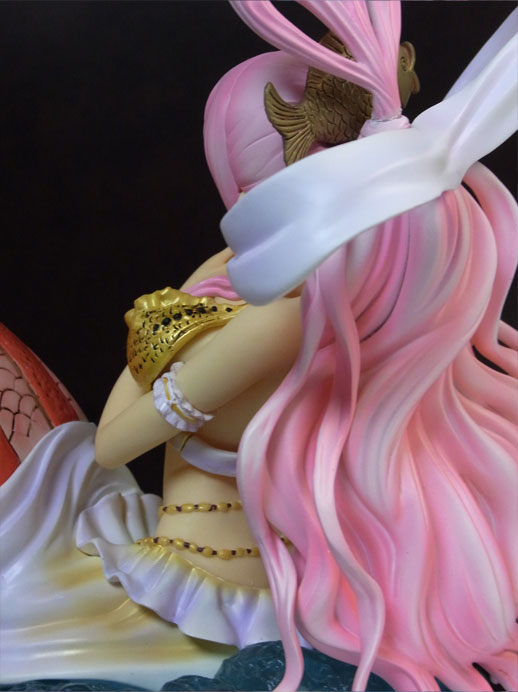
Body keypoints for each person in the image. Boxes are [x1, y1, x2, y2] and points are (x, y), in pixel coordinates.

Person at [1, 2, 516, 691]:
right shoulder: (292, 296)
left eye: (243, 190)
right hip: (188, 553)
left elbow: (113, 444)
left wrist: (156, 343)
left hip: (203, 592)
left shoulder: (279, 321)